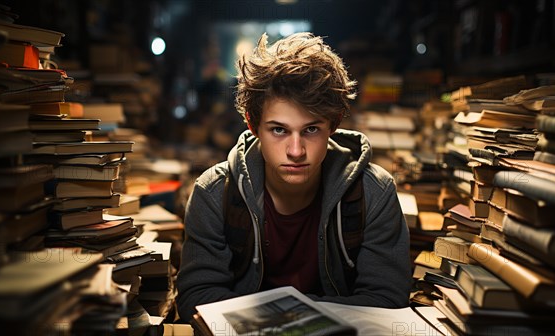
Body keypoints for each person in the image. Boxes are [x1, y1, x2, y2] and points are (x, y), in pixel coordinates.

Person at [176, 32, 411, 322]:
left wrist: (281, 314)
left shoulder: (374, 192)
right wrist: (307, 314)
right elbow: (195, 300)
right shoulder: (214, 192)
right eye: (279, 130)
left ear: (333, 124)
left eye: (311, 129)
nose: (296, 151)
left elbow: (388, 301)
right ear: (252, 125)